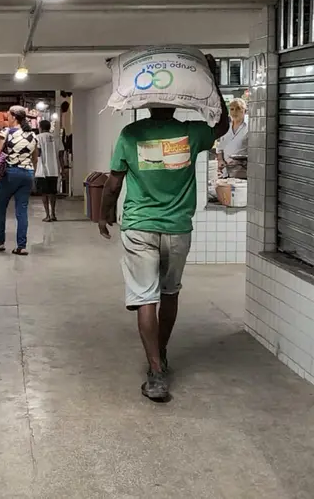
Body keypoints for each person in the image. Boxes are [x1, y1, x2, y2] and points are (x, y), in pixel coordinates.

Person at [97, 55, 230, 402]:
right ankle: (163, 355)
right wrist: (214, 81)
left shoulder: (130, 134)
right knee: (169, 294)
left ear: (145, 105)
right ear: (177, 103)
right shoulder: (191, 133)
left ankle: (155, 371)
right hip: (178, 228)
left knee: (145, 298)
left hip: (140, 227)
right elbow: (222, 126)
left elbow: (113, 183)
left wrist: (103, 214)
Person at [0, 106, 38, 255]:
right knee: (22, 211)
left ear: (14, 117)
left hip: (11, 173)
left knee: (1, 208)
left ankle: (0, 241)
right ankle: (21, 246)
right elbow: (35, 158)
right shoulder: (32, 135)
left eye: (8, 116)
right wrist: (31, 172)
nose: (7, 118)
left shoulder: (7, 132)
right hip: (27, 173)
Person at [35, 119, 64, 222]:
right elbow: (61, 155)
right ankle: (53, 214)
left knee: (44, 193)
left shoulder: (38, 138)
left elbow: (37, 153)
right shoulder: (57, 138)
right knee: (52, 193)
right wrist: (63, 168)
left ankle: (47, 215)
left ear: (41, 127)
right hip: (54, 169)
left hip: (42, 170)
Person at [216, 98, 249, 179]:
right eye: (232, 109)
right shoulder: (226, 127)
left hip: (242, 172)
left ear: (244, 110)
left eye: (238, 109)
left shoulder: (250, 127)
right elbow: (220, 148)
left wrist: (241, 161)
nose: (234, 112)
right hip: (226, 172)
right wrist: (220, 160)